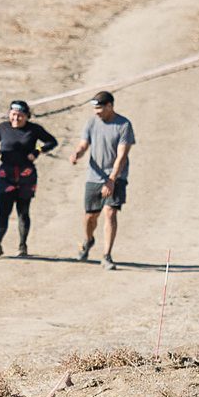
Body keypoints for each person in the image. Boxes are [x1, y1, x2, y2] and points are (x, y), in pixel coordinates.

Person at [66, 91, 135, 270]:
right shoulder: (91, 123)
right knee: (90, 216)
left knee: (110, 212)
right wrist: (77, 154)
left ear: (110, 106)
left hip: (116, 177)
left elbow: (122, 156)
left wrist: (112, 179)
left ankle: (106, 255)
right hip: (94, 177)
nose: (96, 112)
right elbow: (84, 144)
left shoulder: (124, 125)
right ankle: (88, 240)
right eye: (94, 108)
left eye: (99, 108)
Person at [0, 100, 57, 258]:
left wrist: (37, 151)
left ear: (27, 116)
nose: (16, 118)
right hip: (6, 176)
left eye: (20, 115)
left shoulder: (34, 129)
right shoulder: (3, 127)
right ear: (9, 114)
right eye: (13, 114)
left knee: (23, 212)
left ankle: (22, 246)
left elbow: (52, 141)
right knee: (3, 211)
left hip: (26, 176)